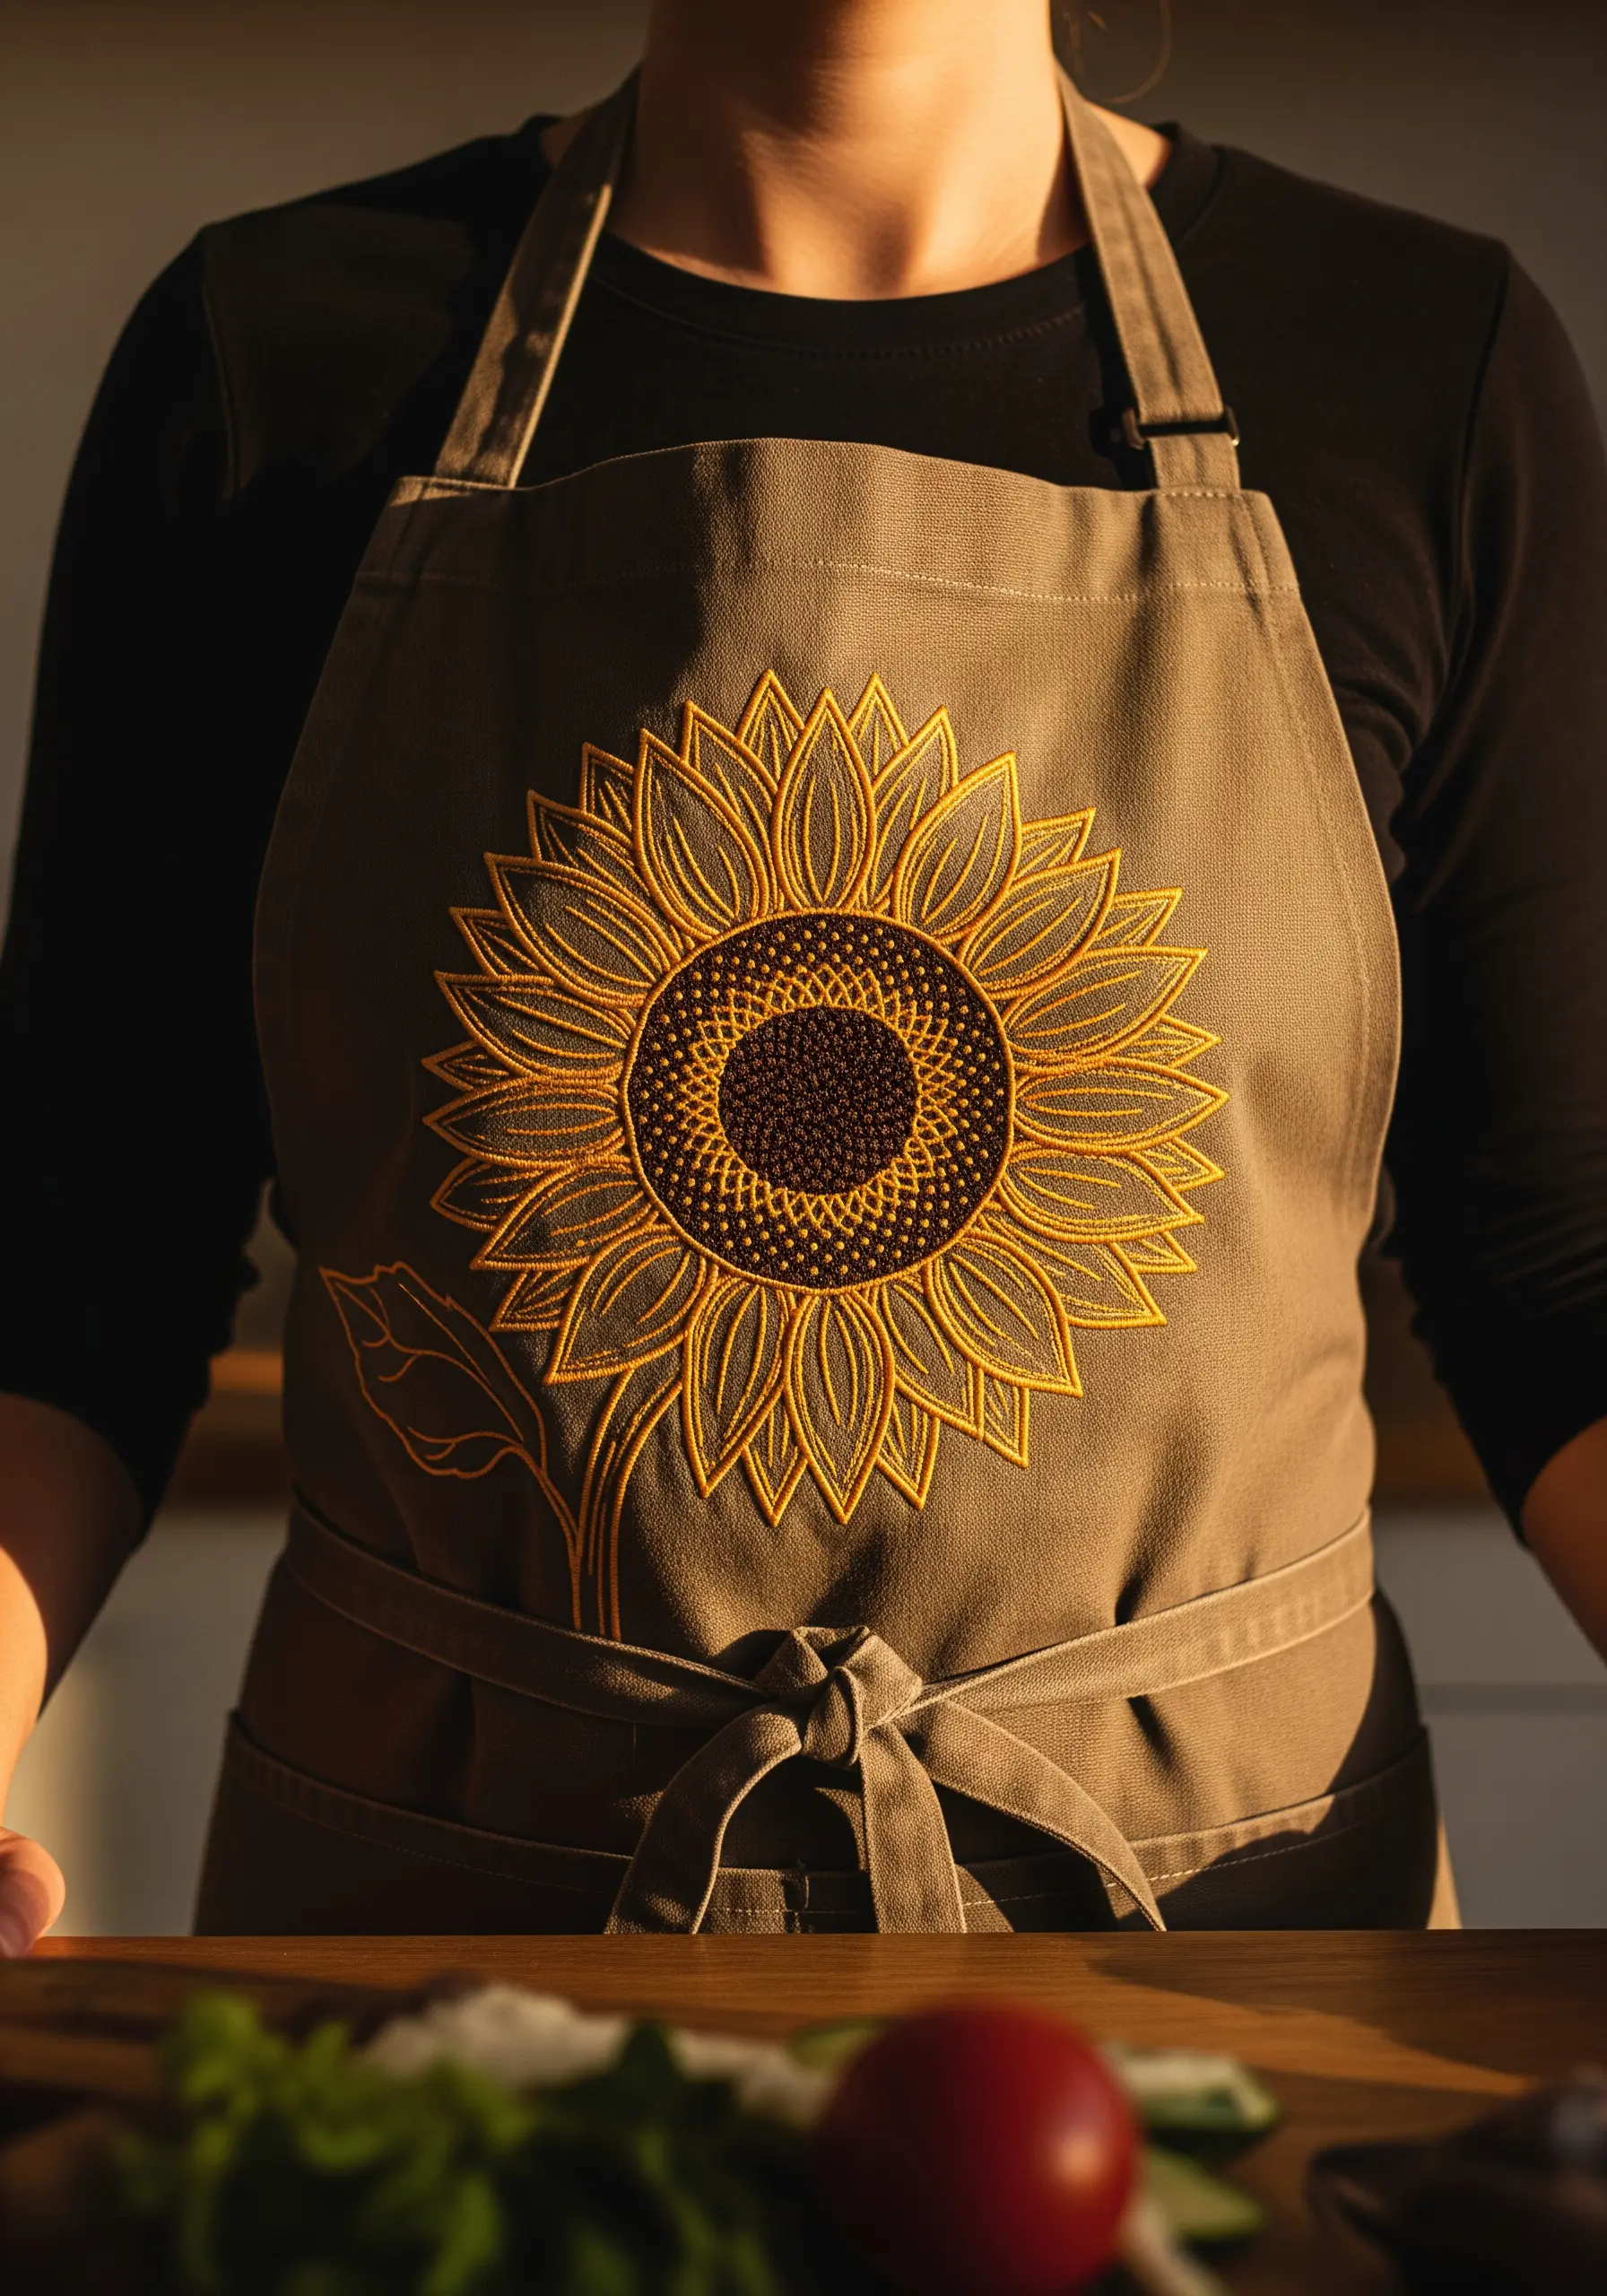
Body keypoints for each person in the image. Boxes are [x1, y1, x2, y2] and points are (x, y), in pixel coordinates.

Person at [2, 0, 1604, 1946]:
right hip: (450, 1959)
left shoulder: (1420, 363)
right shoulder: (275, 359)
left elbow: (1564, 1257)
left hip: (1239, 1954)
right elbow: (74, 1256)